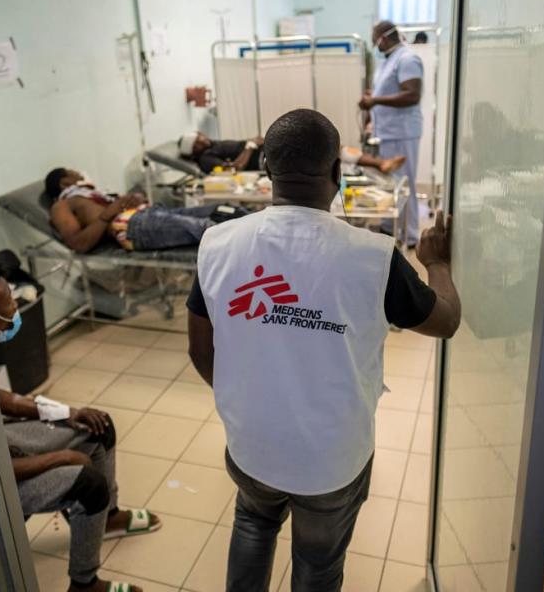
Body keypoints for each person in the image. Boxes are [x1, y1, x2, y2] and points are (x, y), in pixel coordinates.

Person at [185, 109, 461, 592]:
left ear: (266, 169)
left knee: (253, 524)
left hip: (251, 444)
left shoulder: (218, 244)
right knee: (317, 562)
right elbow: (446, 320)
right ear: (338, 172)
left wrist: (250, 399)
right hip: (330, 459)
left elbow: (201, 352)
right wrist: (436, 263)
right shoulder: (371, 257)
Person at [0, 256, 161, 592]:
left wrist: (67, 412)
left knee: (97, 428)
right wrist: (61, 457)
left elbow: (0, 398)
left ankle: (108, 519)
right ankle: (84, 585)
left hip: (1, 445)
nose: (16, 307)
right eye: (10, 303)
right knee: (88, 484)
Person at [45, 168, 245, 253]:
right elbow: (78, 244)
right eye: (74, 172)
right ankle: (262, 244)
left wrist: (133, 199)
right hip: (132, 227)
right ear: (65, 182)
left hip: (146, 214)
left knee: (225, 210)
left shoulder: (89, 195)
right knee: (209, 229)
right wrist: (109, 213)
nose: (80, 174)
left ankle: (267, 228)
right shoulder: (61, 206)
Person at [359, 20, 425, 247]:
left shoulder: (407, 59)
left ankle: (410, 234)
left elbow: (412, 95)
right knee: (389, 183)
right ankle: (391, 227)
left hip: (402, 133)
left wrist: (374, 99)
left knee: (404, 184)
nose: (374, 44)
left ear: (383, 38)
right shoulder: (388, 61)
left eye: (374, 39)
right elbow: (389, 92)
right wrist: (374, 97)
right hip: (386, 132)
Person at [178, 131, 407, 175]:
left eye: (201, 136)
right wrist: (249, 146)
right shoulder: (206, 159)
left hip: (268, 150)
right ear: (194, 150)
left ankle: (379, 164)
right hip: (264, 162)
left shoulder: (212, 145)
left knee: (330, 149)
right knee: (324, 151)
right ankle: (379, 164)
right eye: (198, 141)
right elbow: (233, 170)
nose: (203, 138)